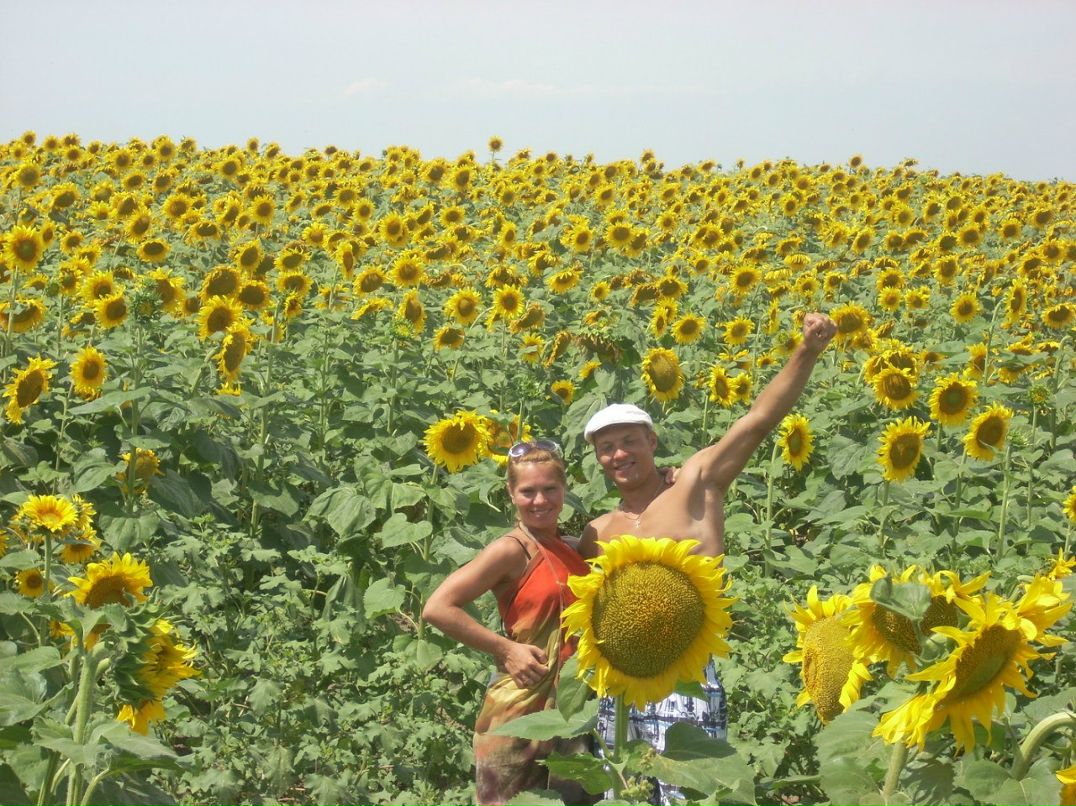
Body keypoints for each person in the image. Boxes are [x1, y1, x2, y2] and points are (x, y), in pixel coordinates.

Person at [579, 311, 837, 805]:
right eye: (606, 448)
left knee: (691, 795)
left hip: (687, 674)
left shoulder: (697, 481)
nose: (619, 455)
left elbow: (758, 420)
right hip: (620, 683)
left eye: (629, 441)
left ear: (651, 441)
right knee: (622, 794)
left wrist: (807, 350)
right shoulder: (597, 531)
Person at [422, 439, 594, 806]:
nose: (540, 500)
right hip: (520, 705)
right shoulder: (511, 550)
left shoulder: (570, 548)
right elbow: (437, 607)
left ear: (564, 490)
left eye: (550, 489)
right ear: (511, 493)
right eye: (528, 491)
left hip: (572, 707)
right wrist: (505, 648)